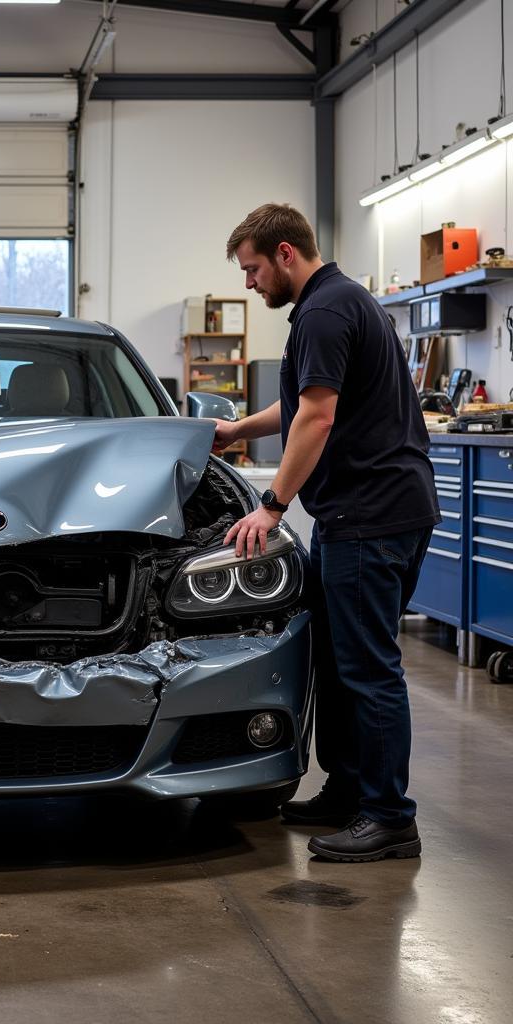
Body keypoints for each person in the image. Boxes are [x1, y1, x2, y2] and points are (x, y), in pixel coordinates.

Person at [217, 204, 440, 862]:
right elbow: (304, 402)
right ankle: (348, 789)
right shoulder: (342, 302)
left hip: (369, 517)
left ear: (285, 253)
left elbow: (316, 418)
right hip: (377, 511)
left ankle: (390, 816)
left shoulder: (321, 312)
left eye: (252, 269)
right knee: (342, 664)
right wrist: (237, 431)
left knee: (369, 669)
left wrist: (272, 505)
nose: (250, 284)